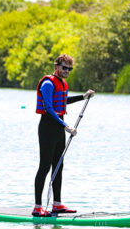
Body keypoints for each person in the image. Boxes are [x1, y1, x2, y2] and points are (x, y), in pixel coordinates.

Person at [33, 54, 95, 217]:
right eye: (64, 67)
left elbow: (63, 101)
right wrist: (66, 126)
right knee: (44, 167)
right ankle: (38, 207)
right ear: (56, 66)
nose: (67, 71)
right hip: (48, 128)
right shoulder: (47, 83)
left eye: (70, 68)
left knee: (58, 166)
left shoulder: (62, 83)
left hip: (59, 130)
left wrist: (83, 97)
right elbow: (49, 108)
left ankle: (57, 205)